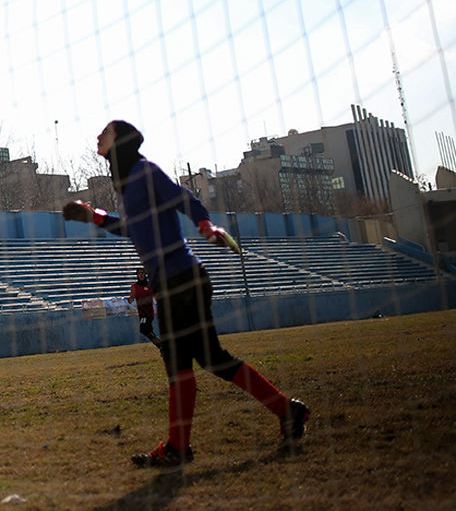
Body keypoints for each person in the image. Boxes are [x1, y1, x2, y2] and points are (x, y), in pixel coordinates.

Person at [64, 120, 309, 468]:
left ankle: (180, 448)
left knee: (184, 363)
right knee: (210, 359)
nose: (97, 136)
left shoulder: (144, 172)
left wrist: (205, 224)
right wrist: (95, 216)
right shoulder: (130, 183)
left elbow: (184, 198)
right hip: (177, 281)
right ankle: (286, 411)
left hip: (181, 280)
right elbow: (132, 229)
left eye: (104, 132)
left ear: (119, 140)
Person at [127, 267, 160, 347]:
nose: (141, 275)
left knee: (143, 329)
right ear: (137, 275)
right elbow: (131, 300)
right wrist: (131, 298)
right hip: (141, 313)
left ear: (145, 274)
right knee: (149, 331)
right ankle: (161, 347)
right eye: (139, 273)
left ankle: (161, 345)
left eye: (142, 273)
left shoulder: (150, 285)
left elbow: (156, 297)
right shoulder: (134, 286)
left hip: (149, 313)